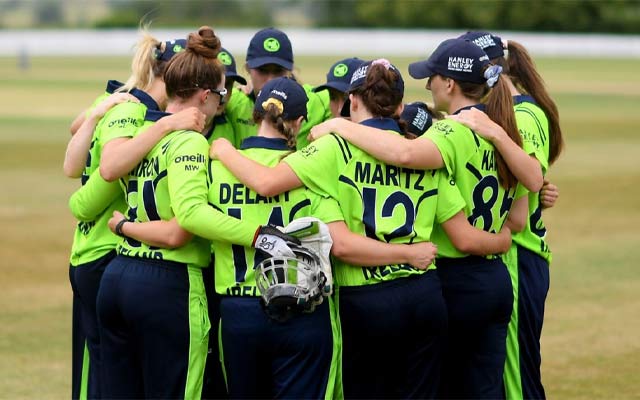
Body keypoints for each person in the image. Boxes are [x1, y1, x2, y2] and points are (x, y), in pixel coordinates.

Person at [211, 58, 513, 399]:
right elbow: (459, 225)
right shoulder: (423, 149)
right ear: (399, 105)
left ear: (352, 101)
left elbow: (266, 182)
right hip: (423, 296)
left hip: (365, 299)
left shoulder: (334, 147)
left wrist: (222, 149)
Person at [307, 40, 535, 398]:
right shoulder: (501, 127)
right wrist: (503, 239)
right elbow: (521, 213)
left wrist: (342, 127)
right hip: (495, 278)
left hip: (453, 279)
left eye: (432, 78)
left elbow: (404, 153)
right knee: (486, 388)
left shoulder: (448, 133)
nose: (427, 86)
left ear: (450, 84)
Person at [94, 26, 299, 399]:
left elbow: (108, 167)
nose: (222, 103)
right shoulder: (188, 139)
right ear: (205, 95)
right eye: (220, 95)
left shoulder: (143, 128)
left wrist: (125, 227)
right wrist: (258, 234)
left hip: (118, 277)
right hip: (167, 283)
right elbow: (190, 218)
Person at [63, 28, 189, 400]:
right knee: (101, 378)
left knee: (115, 374)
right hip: (102, 252)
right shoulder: (136, 114)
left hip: (99, 253)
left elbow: (73, 158)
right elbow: (85, 198)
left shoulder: (120, 101)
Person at [456, 30, 564, 400]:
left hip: (517, 254)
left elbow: (529, 182)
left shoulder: (524, 115)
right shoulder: (501, 113)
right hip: (506, 254)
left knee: (517, 379)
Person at [225, 27, 332, 149]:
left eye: (278, 71)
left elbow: (353, 101)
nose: (270, 80)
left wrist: (336, 125)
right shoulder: (233, 101)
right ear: (248, 69)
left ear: (290, 70)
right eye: (263, 71)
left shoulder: (315, 100)